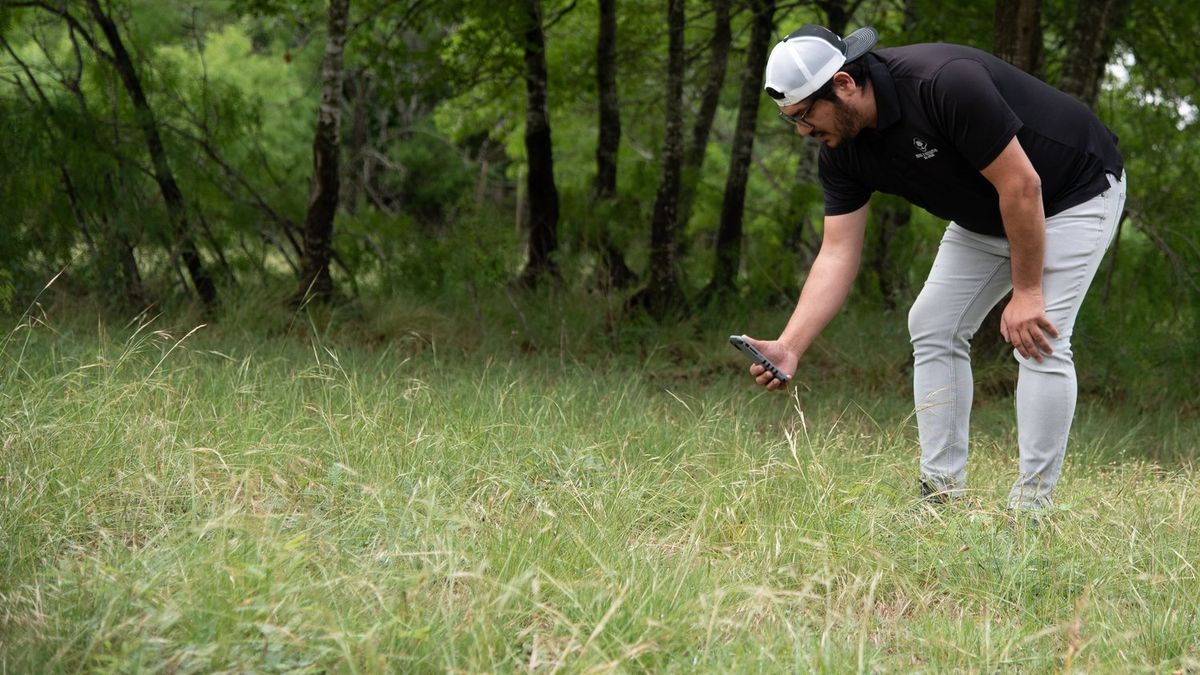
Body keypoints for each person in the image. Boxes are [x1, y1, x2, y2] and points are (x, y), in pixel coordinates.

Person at [743, 24, 1126, 511]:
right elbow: (837, 252)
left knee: (1040, 337)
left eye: (804, 114)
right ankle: (940, 495)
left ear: (843, 84)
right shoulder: (843, 151)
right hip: (988, 213)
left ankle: (1032, 510)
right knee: (933, 324)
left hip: (1071, 193)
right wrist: (790, 345)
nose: (802, 131)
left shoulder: (944, 84)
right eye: (790, 120)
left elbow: (1023, 186)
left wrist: (1027, 292)